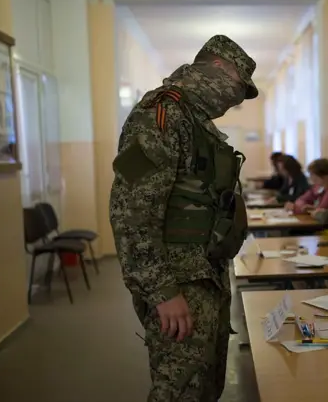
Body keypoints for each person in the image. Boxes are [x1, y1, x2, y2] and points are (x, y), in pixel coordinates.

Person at [109, 35, 258, 402]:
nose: (236, 100)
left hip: (205, 276)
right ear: (219, 67)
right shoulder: (160, 115)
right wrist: (162, 291)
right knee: (179, 391)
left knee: (206, 386)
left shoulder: (194, 121)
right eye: (239, 88)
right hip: (180, 284)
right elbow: (131, 211)